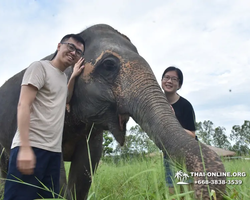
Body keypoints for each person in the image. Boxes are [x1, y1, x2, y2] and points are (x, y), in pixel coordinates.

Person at [4, 34, 85, 200]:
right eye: (70, 47)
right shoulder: (39, 68)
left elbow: (65, 97)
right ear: (59, 46)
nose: (73, 53)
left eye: (78, 52)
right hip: (31, 147)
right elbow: (23, 105)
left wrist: (74, 76)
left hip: (54, 153)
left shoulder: (63, 78)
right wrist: (25, 148)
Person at [161, 66, 197, 193]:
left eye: (174, 79)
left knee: (187, 189)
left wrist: (172, 121)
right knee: (171, 189)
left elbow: (192, 135)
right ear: (161, 81)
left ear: (179, 85)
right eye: (166, 77)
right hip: (169, 152)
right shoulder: (157, 103)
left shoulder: (185, 105)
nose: (169, 81)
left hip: (188, 152)